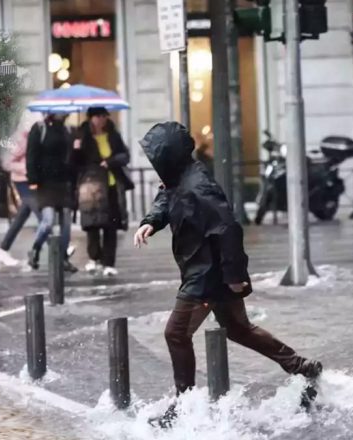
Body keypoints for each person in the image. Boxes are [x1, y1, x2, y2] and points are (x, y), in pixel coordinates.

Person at [133, 121, 323, 428]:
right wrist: (151, 222)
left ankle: (184, 406)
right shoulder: (180, 178)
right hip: (206, 270)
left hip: (206, 275)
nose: (153, 165)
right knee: (239, 329)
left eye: (155, 157)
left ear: (168, 156)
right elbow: (166, 198)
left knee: (176, 333)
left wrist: (235, 276)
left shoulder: (199, 187)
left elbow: (228, 229)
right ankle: (301, 366)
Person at [72, 107, 134, 276]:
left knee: (111, 225)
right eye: (98, 117)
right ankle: (93, 258)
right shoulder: (82, 136)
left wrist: (110, 161)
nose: (101, 120)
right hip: (91, 187)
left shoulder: (113, 135)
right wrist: (76, 148)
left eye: (104, 116)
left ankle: (109, 262)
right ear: (91, 118)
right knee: (92, 223)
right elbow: (75, 163)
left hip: (112, 185)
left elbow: (124, 156)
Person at [26, 113, 78, 273]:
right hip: (45, 182)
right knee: (48, 221)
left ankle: (63, 258)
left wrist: (74, 180)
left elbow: (72, 158)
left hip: (64, 182)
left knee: (66, 223)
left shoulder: (68, 130)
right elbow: (31, 155)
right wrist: (33, 179)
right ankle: (35, 249)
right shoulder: (39, 128)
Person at [0, 111, 44, 267]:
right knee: (41, 213)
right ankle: (61, 249)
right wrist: (27, 168)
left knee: (23, 215)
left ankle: (2, 250)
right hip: (21, 181)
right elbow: (7, 162)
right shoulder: (18, 138)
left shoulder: (32, 137)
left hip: (30, 180)